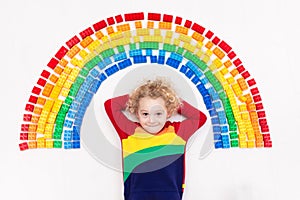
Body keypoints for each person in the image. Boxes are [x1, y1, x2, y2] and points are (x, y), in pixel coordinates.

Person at [104, 78, 207, 200]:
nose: (151, 120)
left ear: (168, 113)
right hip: (136, 195)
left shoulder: (177, 132)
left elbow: (200, 118)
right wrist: (139, 96)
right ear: (138, 114)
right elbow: (110, 105)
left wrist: (171, 99)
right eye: (145, 114)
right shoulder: (128, 131)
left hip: (170, 195)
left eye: (158, 113)